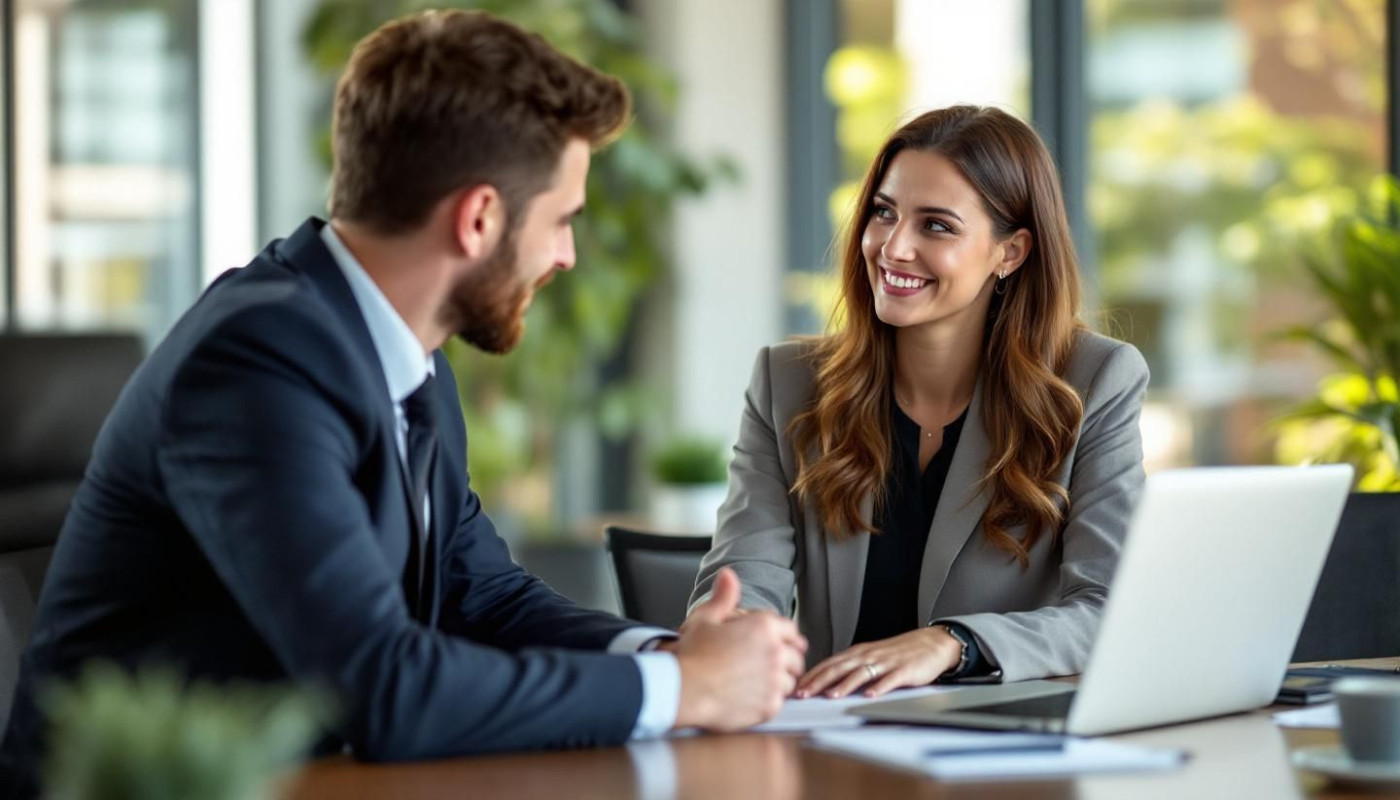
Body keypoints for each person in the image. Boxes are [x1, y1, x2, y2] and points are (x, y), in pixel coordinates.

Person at [0, 10, 807, 794]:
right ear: (479, 218)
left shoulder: (402, 355)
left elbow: (480, 592)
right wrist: (686, 692)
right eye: (562, 220)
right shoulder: (256, 362)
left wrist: (667, 656)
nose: (566, 256)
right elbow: (385, 687)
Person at [689, 105, 1148, 699]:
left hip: (999, 742)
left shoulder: (1095, 381)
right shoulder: (788, 383)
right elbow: (745, 581)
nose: (893, 246)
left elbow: (1110, 609)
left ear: (1010, 253)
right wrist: (731, 632)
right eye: (884, 213)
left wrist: (953, 643)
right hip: (833, 731)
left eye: (936, 226)